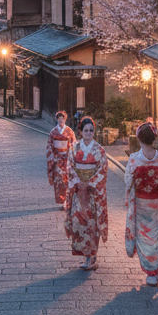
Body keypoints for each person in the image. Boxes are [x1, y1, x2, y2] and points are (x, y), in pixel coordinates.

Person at [124, 119, 158, 285]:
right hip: (157, 204)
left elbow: (127, 181)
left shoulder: (134, 159)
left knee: (143, 235)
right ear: (154, 139)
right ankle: (155, 271)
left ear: (138, 138)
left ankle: (150, 271)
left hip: (140, 203)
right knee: (156, 235)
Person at [64, 116, 108, 270]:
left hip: (92, 193)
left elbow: (103, 170)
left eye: (91, 130)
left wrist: (89, 183)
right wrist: (78, 182)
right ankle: (86, 255)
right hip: (78, 192)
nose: (89, 133)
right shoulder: (74, 148)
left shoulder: (99, 150)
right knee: (79, 222)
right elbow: (69, 167)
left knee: (92, 223)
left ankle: (91, 257)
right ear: (81, 131)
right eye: (86, 130)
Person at [45, 110, 74, 207]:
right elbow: (49, 145)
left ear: (65, 119)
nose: (61, 122)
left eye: (62, 119)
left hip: (67, 159)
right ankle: (61, 201)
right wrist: (52, 156)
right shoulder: (53, 132)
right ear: (57, 120)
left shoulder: (69, 131)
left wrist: (71, 155)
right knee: (59, 181)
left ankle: (67, 201)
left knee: (67, 180)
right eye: (59, 120)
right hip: (57, 160)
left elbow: (73, 145)